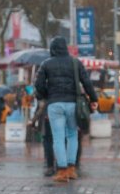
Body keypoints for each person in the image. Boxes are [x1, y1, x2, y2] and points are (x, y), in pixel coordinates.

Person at [34, 37, 98, 183]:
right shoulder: (75, 63)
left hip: (54, 104)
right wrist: (94, 99)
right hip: (72, 103)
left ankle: (61, 170)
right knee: (72, 136)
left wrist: (46, 95)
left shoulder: (46, 64)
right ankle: (71, 169)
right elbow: (86, 82)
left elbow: (38, 84)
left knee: (58, 137)